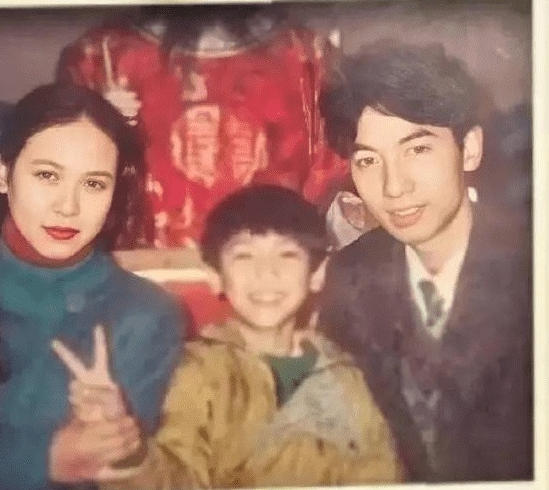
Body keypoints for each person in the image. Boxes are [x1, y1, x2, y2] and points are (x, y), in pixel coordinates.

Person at [65, 184, 405, 489]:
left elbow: (380, 476)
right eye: (244, 256)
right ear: (215, 276)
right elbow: (178, 479)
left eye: (287, 254)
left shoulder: (345, 377)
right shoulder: (200, 372)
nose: (266, 272)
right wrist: (127, 452)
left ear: (316, 274)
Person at [318, 42, 533, 482]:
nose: (394, 187)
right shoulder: (350, 276)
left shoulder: (532, 268)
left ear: (469, 149)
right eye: (368, 160)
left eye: (417, 150)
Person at [0, 83, 185, 490]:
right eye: (47, 175)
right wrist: (42, 457)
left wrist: (120, 442)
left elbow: (131, 473)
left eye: (94, 184)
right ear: (2, 174)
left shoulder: (146, 315)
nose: (68, 206)